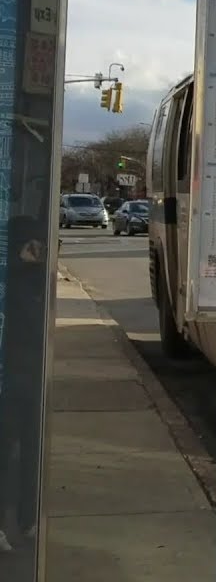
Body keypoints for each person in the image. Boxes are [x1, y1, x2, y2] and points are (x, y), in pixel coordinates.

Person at [0, 215, 47, 551]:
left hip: (28, 373)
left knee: (30, 448)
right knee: (9, 449)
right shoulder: (16, 280)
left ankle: (28, 519)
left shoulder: (34, 278)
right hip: (15, 374)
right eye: (33, 245)